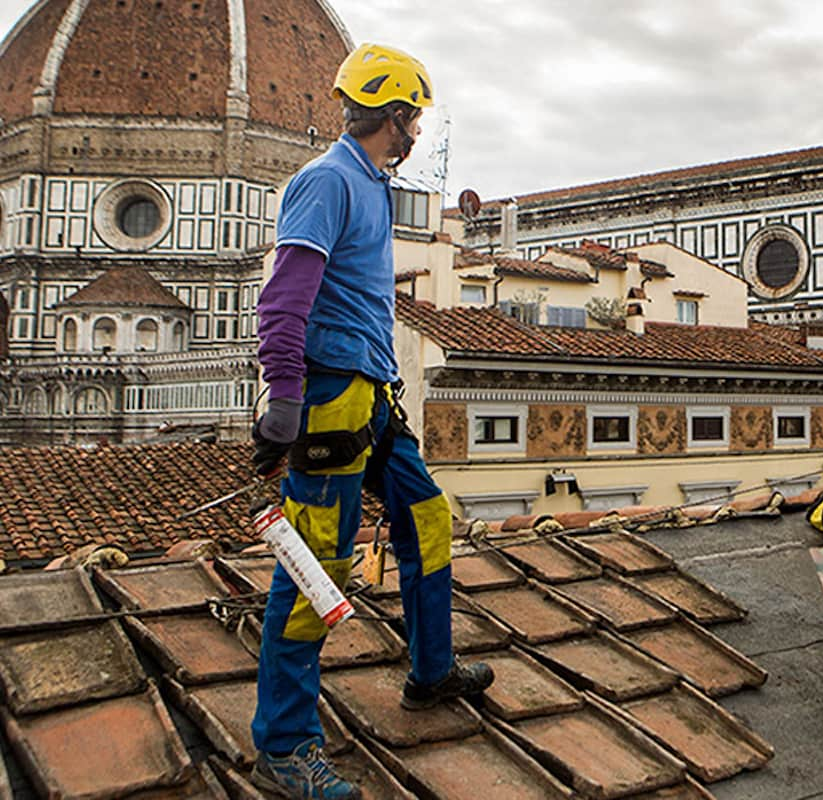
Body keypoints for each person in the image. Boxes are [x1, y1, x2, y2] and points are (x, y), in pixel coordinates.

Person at [249, 43, 493, 800]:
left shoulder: (367, 184)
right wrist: (284, 396)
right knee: (319, 564)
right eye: (412, 116)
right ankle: (285, 746)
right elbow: (284, 300)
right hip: (329, 398)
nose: (416, 130)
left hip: (373, 392)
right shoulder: (327, 182)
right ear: (395, 118)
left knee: (425, 518)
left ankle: (431, 671)